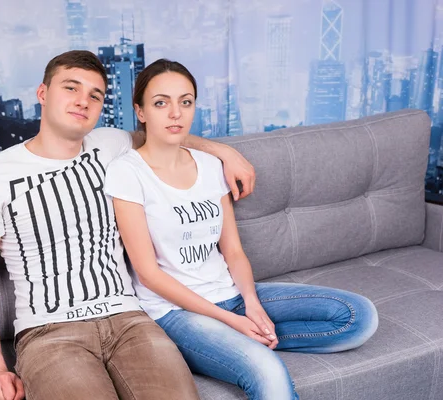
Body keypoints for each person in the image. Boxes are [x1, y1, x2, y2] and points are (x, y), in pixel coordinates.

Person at [0, 50, 257, 400]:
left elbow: (165, 133)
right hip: (50, 331)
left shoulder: (111, 145)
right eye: (71, 88)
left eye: (95, 95)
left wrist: (225, 152)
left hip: (131, 320)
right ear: (43, 94)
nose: (83, 101)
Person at [105, 59, 379, 400]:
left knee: (358, 318)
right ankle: (232, 347)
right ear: (141, 111)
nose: (175, 112)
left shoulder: (210, 166)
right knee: (266, 370)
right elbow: (148, 274)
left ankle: (240, 344)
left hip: (231, 294)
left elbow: (232, 250)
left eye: (185, 101)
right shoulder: (127, 173)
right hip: (175, 313)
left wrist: (251, 305)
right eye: (161, 102)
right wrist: (230, 322)